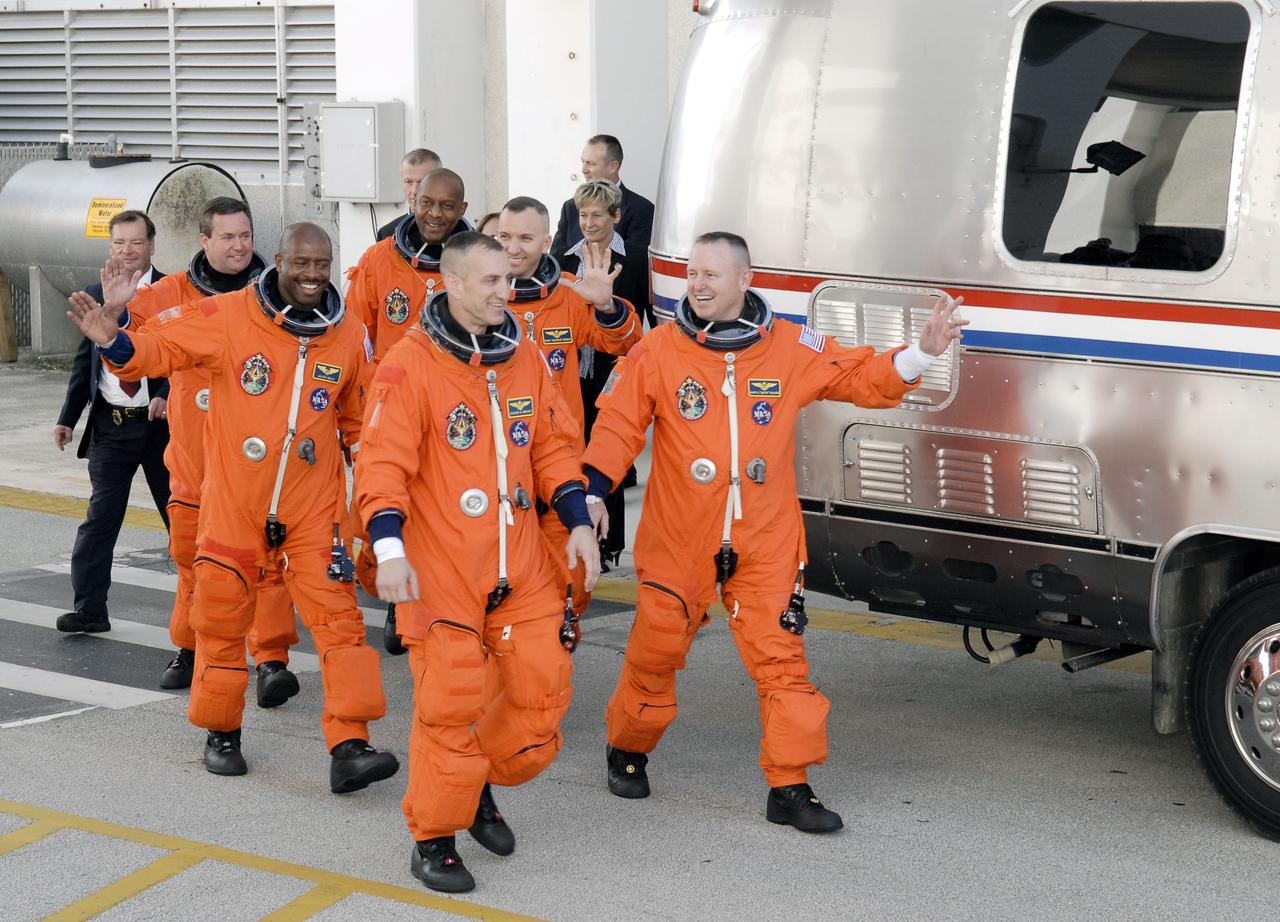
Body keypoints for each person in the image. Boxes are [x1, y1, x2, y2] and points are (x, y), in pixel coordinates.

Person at [581, 232, 967, 832]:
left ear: (745, 279)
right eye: (693, 274)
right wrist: (593, 491)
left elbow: (859, 375)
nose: (699, 285)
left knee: (782, 662)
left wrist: (920, 352)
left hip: (765, 539)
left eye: (712, 274)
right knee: (656, 651)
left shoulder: (788, 346)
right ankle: (627, 749)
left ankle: (790, 786)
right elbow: (616, 428)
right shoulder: (657, 352)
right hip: (680, 539)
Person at [67, 223, 399, 793]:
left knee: (342, 626)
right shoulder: (229, 316)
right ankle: (223, 733)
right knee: (221, 622)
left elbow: (357, 418)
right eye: (302, 263)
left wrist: (377, 485)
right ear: (280, 260)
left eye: (323, 265)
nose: (314, 275)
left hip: (313, 510)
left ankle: (351, 745)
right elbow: (155, 351)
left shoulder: (347, 333)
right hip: (234, 505)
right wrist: (111, 336)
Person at [355, 231, 600, 894]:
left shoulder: (521, 357)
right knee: (450, 703)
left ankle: (475, 785)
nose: (506, 290)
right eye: (490, 280)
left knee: (542, 699)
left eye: (508, 278)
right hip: (441, 576)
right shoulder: (410, 365)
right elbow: (381, 468)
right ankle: (434, 837)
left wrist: (578, 524)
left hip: (518, 568)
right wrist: (389, 552)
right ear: (452, 283)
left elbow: (551, 446)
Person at [120, 197, 300, 699]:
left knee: (266, 565)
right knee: (191, 560)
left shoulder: (275, 296)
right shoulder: (172, 292)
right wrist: (114, 309)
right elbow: (128, 340)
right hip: (194, 462)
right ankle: (191, 646)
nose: (240, 245)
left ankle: (270, 661)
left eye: (245, 235)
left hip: (257, 464)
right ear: (205, 241)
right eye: (228, 237)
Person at [496, 196, 641, 616]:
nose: (513, 247)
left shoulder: (566, 293)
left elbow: (624, 344)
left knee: (571, 583)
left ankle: (556, 641)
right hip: (501, 460)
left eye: (525, 238)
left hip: (560, 458)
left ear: (547, 242)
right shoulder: (479, 299)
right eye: (505, 236)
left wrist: (606, 306)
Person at [346, 166, 470, 654]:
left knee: (447, 513)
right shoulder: (379, 260)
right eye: (427, 203)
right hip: (394, 412)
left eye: (447, 206)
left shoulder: (474, 260)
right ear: (413, 201)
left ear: (463, 210)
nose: (435, 214)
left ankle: (445, 601)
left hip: (456, 413)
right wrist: (356, 420)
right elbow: (353, 342)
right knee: (391, 503)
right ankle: (398, 603)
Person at [53, 209, 170, 633]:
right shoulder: (93, 293)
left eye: (136, 243)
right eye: (119, 243)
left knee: (184, 519)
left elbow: (191, 358)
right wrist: (69, 417)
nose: (127, 252)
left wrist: (165, 393)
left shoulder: (173, 292)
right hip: (112, 425)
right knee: (100, 519)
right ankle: (89, 608)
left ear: (152, 246)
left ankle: (206, 613)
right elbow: (86, 363)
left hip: (164, 429)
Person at [558, 179, 649, 566]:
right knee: (578, 440)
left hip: (615, 364)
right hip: (574, 365)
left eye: (597, 215)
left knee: (609, 447)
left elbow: (646, 311)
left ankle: (609, 542)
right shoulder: (564, 259)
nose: (589, 223)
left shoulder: (637, 258)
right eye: (582, 215)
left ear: (616, 216)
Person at [551, 135, 654, 271]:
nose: (584, 169)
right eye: (583, 162)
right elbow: (555, 262)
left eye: (591, 163)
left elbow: (635, 267)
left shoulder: (642, 209)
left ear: (613, 166)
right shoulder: (570, 207)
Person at [376, 148, 442, 241]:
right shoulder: (387, 234)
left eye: (423, 181)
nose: (414, 191)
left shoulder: (462, 233)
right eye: (408, 182)